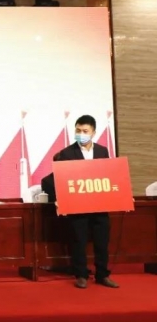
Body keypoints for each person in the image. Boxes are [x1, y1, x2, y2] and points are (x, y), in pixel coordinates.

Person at [40, 115, 119, 290]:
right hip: (78, 207)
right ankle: (81, 275)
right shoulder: (66, 153)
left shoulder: (102, 151)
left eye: (85, 131)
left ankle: (102, 275)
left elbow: (110, 176)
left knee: (102, 242)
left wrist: (121, 194)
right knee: (79, 241)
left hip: (99, 205)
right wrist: (58, 198)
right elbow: (50, 181)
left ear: (93, 132)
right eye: (78, 130)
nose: (81, 134)